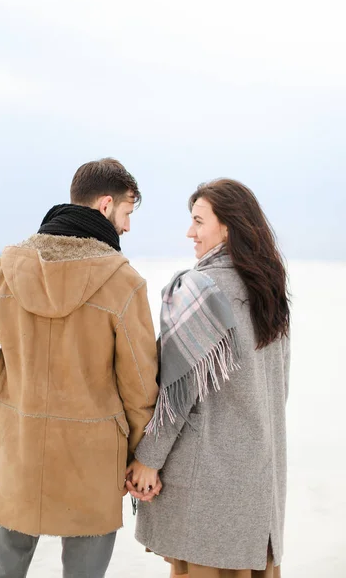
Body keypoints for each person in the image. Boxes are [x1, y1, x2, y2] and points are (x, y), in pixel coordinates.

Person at [0, 158, 158, 578]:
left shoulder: (2, 271)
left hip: (17, 451)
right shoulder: (123, 282)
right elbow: (139, 387)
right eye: (127, 213)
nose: (128, 227)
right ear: (105, 206)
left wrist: (23, 384)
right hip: (94, 463)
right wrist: (143, 458)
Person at [126, 179, 291, 578]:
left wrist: (148, 460)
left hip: (209, 487)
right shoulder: (269, 291)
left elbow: (177, 394)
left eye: (199, 222)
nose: (190, 232)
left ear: (229, 227)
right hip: (259, 486)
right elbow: (278, 389)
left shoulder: (200, 289)